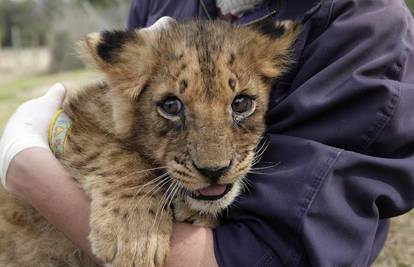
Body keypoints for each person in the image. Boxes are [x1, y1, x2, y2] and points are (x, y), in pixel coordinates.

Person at [1, 0, 414, 266]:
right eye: (171, 106)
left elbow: (267, 255)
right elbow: (96, 118)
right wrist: (126, 181)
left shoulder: (367, 29)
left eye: (242, 105)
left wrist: (30, 169)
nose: (214, 159)